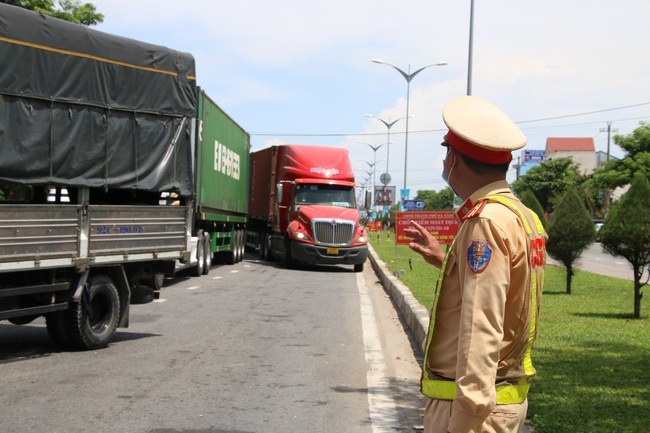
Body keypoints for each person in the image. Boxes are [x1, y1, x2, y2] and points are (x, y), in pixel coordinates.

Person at [404, 95, 547, 433]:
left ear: (454, 158)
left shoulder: (485, 221)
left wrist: (467, 416)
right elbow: (507, 291)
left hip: (473, 410)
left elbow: (481, 326)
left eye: (446, 153)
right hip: (502, 399)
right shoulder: (520, 216)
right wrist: (446, 260)